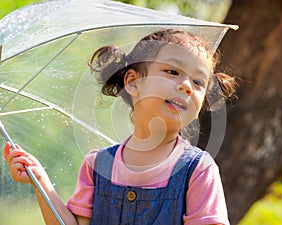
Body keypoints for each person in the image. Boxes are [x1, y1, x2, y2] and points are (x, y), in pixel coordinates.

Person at [4, 28, 236, 225]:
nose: (186, 86)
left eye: (198, 82)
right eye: (172, 72)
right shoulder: (97, 166)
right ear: (133, 82)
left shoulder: (198, 171)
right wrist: (40, 181)